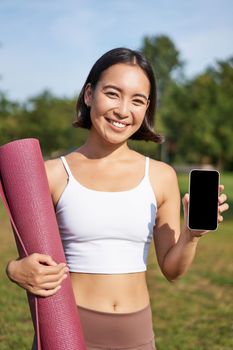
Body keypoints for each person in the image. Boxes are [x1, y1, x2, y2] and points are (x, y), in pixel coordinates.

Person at [6, 47, 229, 350]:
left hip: (136, 335)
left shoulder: (160, 176)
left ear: (147, 108)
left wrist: (191, 235)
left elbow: (173, 271)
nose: (123, 110)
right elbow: (23, 249)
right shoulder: (53, 173)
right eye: (113, 93)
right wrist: (13, 269)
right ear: (89, 94)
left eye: (137, 100)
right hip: (66, 331)